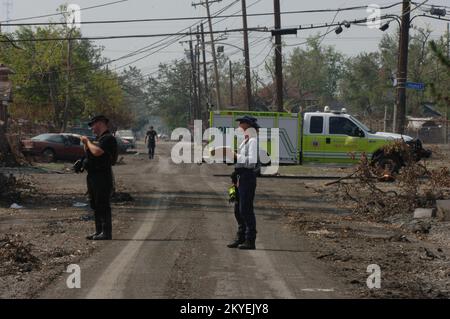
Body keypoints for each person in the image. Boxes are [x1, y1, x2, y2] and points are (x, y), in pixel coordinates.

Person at [81, 115, 118, 240]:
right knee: (95, 204)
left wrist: (87, 142)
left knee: (102, 204)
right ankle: (98, 231)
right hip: (93, 175)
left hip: (102, 176)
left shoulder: (108, 138)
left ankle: (106, 233)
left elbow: (97, 152)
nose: (91, 127)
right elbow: (90, 154)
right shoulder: (99, 139)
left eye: (93, 124)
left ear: (100, 123)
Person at [226, 115, 260, 250]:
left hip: (247, 177)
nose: (239, 125)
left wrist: (236, 155)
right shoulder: (244, 141)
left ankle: (250, 240)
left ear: (248, 126)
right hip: (239, 177)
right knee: (237, 209)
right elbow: (240, 159)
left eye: (241, 123)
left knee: (245, 209)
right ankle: (241, 237)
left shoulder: (253, 141)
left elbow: (251, 162)